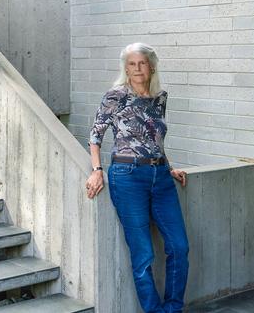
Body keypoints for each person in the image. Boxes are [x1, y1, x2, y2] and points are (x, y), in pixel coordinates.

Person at [85, 43, 189, 313]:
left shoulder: (160, 97)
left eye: (142, 63)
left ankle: (173, 308)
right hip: (127, 177)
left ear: (151, 65)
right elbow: (95, 137)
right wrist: (97, 171)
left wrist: (168, 167)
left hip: (161, 177)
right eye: (131, 64)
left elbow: (155, 139)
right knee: (143, 254)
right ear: (126, 68)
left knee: (179, 247)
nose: (137, 68)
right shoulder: (116, 95)